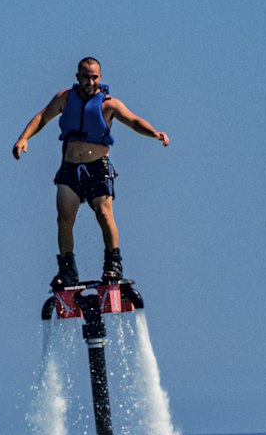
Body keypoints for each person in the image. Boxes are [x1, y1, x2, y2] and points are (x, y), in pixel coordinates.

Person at [12, 57, 170, 288]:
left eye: (95, 77)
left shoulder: (109, 104)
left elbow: (134, 121)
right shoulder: (64, 98)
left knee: (104, 215)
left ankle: (113, 265)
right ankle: (67, 270)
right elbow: (41, 118)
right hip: (70, 169)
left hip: (97, 168)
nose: (90, 81)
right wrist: (23, 138)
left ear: (100, 78)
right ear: (78, 77)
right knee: (64, 220)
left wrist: (154, 133)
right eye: (86, 76)